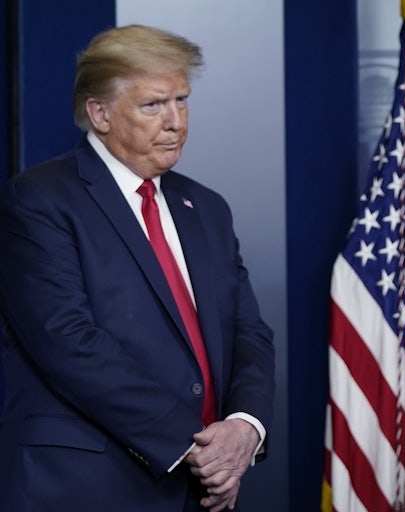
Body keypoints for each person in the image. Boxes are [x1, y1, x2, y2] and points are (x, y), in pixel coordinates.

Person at [0, 25, 275, 511]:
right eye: (154, 105)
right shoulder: (39, 199)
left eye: (182, 101)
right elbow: (66, 341)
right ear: (99, 114)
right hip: (90, 487)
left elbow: (249, 333)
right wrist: (196, 448)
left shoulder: (207, 208)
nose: (176, 122)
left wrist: (243, 428)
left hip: (204, 490)